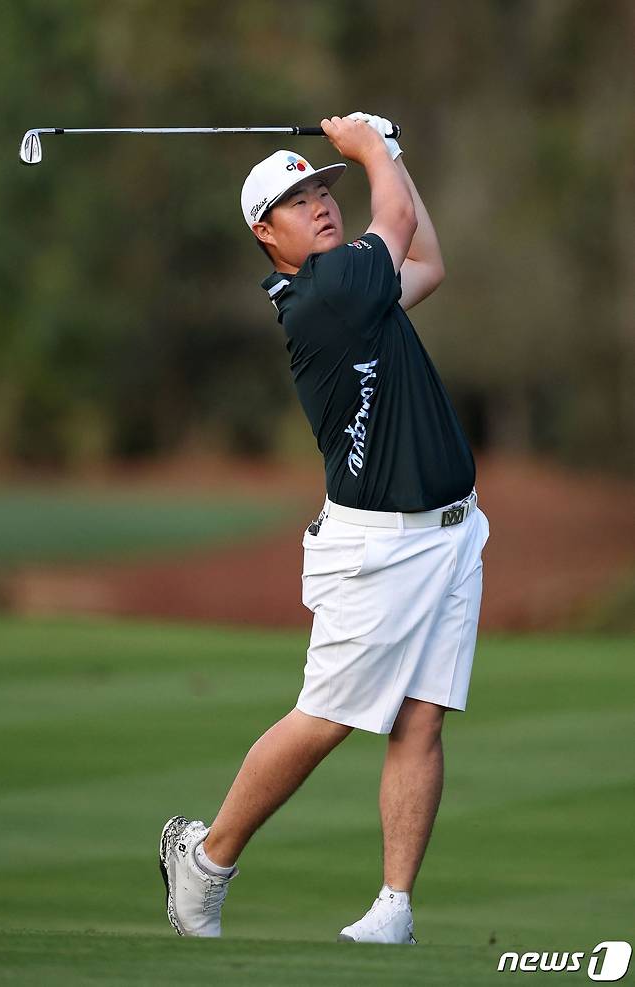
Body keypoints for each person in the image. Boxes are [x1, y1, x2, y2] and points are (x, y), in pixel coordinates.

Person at [159, 112, 490, 945]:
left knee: (421, 719)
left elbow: (427, 261)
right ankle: (205, 858)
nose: (320, 203)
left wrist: (394, 155)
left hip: (451, 533)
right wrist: (373, 150)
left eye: (322, 189)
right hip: (377, 547)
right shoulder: (326, 294)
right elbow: (401, 224)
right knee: (328, 715)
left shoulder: (359, 286)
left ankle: (393, 909)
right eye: (296, 199)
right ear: (265, 233)